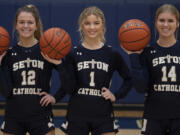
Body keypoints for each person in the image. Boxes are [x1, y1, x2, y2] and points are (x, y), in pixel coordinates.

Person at [45, 6, 132, 135]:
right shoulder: (73, 54)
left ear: (102, 25)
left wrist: (116, 95)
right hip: (77, 114)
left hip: (103, 114)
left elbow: (129, 79)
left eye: (96, 23)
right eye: (87, 23)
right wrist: (55, 98)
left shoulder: (112, 54)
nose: (92, 27)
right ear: (82, 26)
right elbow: (68, 86)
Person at [0, 4, 70, 135]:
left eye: (30, 22)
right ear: (16, 25)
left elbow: (69, 82)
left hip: (41, 116)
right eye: (21, 22)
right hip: (13, 116)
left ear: (36, 25)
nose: (25, 26)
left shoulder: (47, 50)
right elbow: (6, 93)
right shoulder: (8, 54)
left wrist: (55, 97)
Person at [123, 4, 180, 135]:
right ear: (155, 23)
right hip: (154, 115)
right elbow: (140, 87)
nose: (165, 25)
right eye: (162, 20)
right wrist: (133, 57)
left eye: (170, 21)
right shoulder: (147, 52)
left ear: (177, 24)